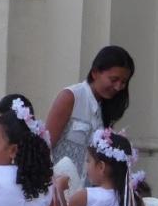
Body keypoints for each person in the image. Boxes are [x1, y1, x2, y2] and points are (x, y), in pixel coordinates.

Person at [45, 46, 135, 181]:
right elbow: (45, 146)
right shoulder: (71, 97)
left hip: (88, 192)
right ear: (95, 73)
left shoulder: (106, 107)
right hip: (59, 188)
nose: (118, 87)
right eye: (113, 80)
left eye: (123, 82)